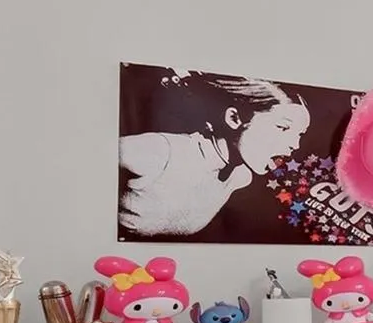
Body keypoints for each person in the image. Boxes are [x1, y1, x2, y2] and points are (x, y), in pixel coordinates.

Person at [119, 74, 310, 238]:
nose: (295, 145)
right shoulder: (161, 151)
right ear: (234, 118)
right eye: (283, 128)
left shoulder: (240, 177)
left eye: (299, 134)